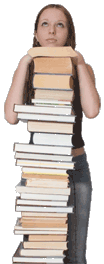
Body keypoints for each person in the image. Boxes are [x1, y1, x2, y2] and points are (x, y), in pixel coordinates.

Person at [4, 4, 101, 264]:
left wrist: (78, 61)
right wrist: (25, 62)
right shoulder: (26, 70)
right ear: (35, 33)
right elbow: (11, 117)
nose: (51, 31)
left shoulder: (83, 69)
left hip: (76, 168)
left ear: (68, 34)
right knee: (35, 247)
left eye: (60, 25)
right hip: (40, 171)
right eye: (44, 24)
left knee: (76, 254)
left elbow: (92, 111)